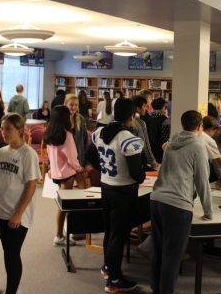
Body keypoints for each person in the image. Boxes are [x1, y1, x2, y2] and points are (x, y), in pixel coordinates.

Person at [86, 98, 146, 292]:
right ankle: (114, 279)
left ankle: (108, 267)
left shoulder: (98, 132)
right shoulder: (129, 138)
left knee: (109, 231)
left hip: (106, 186)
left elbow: (89, 156)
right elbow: (136, 172)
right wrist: (142, 175)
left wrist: (103, 170)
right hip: (123, 191)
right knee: (118, 235)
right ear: (132, 116)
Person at [151, 110, 213, 294]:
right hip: (177, 205)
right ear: (199, 126)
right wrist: (208, 210)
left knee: (158, 252)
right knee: (172, 256)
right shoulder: (197, 146)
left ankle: (157, 289)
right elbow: (202, 181)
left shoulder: (171, 143)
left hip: (157, 200)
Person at [0, 114, 41, 294]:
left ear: (20, 130)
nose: (4, 132)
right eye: (2, 128)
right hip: (1, 211)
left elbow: (32, 185)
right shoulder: (0, 152)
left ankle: (11, 291)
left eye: (8, 128)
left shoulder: (28, 153)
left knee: (12, 253)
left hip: (18, 214)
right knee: (7, 251)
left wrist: (18, 213)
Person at [45, 105, 84, 246]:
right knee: (64, 206)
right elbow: (72, 157)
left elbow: (50, 154)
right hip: (67, 173)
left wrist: (50, 168)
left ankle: (65, 232)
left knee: (63, 205)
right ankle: (59, 235)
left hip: (56, 172)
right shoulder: (66, 135)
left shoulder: (49, 133)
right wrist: (79, 169)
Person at [65, 93, 89, 188]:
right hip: (65, 160)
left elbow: (85, 142)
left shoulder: (81, 119)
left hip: (79, 159)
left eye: (76, 105)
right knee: (66, 189)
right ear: (65, 104)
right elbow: (54, 144)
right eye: (71, 104)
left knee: (82, 187)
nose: (74, 107)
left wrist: (87, 162)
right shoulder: (61, 120)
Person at [201, 116, 221, 184]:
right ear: (211, 129)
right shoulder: (209, 140)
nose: (215, 134)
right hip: (201, 173)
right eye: (215, 131)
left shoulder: (195, 135)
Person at [132, 95, 158, 170]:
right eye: (144, 106)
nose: (146, 109)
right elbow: (145, 144)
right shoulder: (140, 122)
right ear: (138, 108)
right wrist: (152, 161)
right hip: (138, 159)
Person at [149, 97, 170, 163]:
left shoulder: (148, 117)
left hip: (149, 150)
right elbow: (166, 139)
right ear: (164, 107)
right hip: (160, 151)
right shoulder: (165, 120)